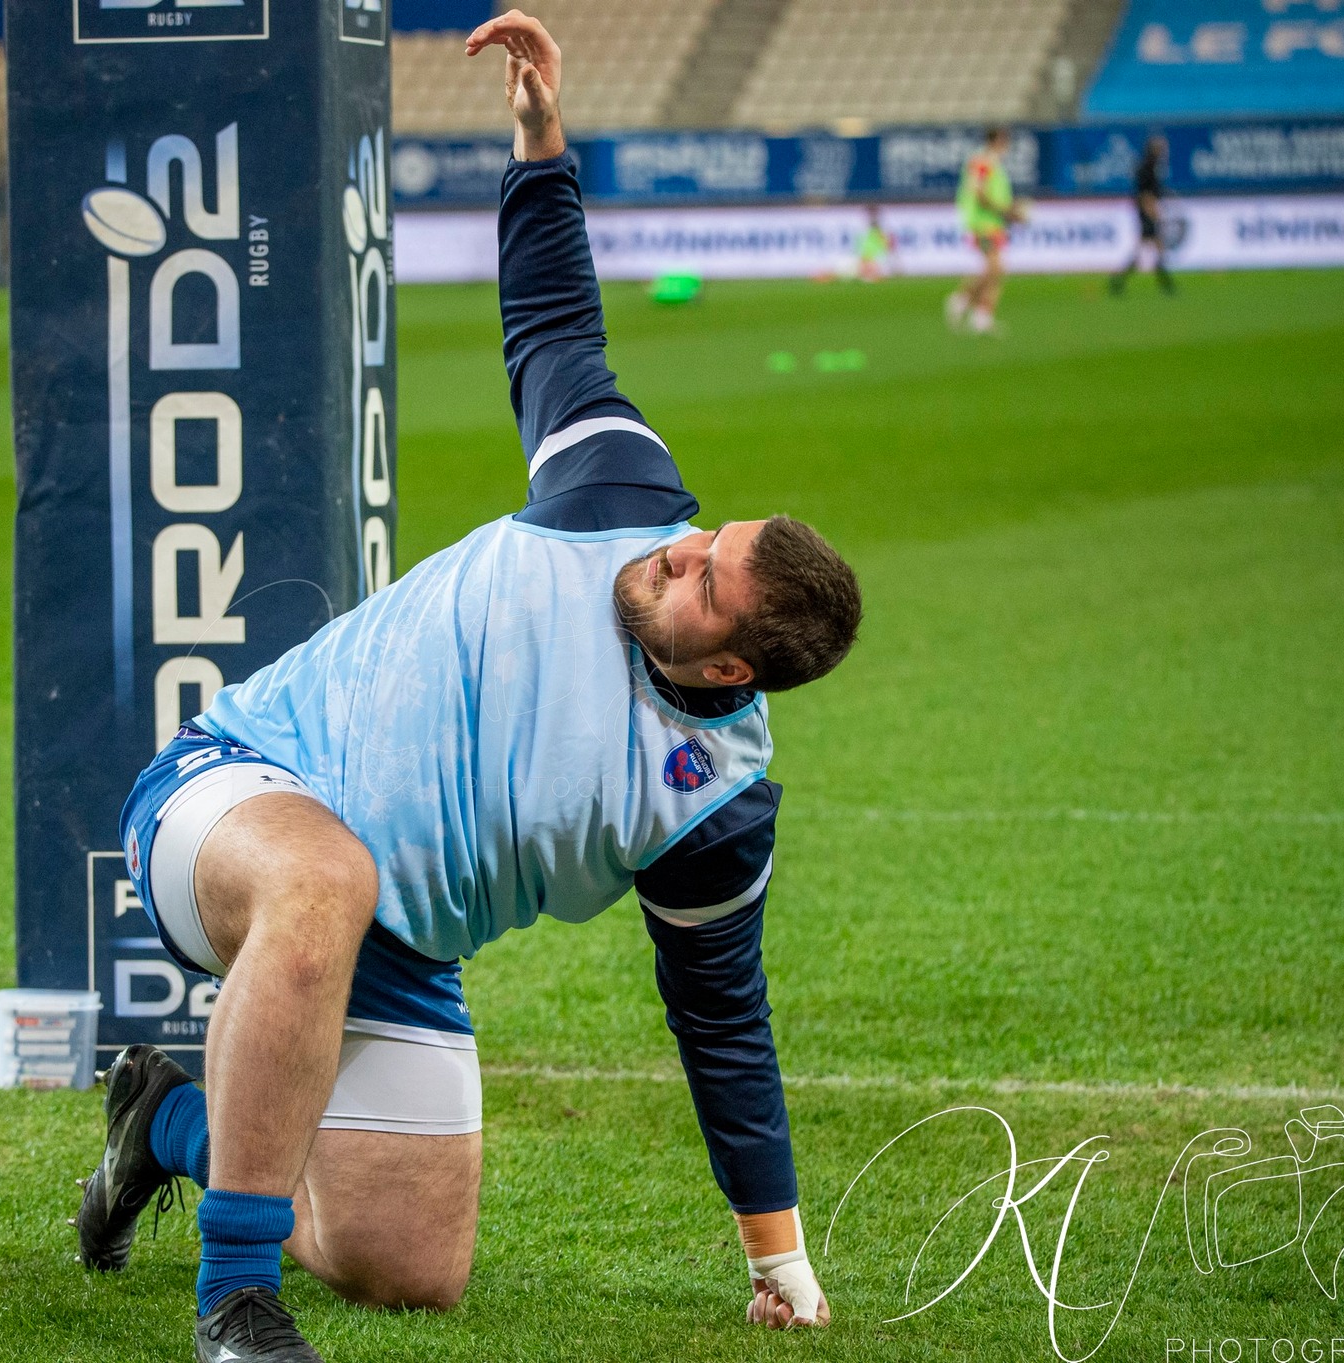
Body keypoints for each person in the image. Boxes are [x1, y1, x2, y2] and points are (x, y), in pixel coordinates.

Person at [72, 11, 861, 1362]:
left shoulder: (712, 804)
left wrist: (777, 1254)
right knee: (327, 883)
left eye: (704, 581)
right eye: (705, 537)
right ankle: (234, 1305)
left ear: (728, 666)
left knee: (408, 1266)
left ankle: (169, 1119)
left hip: (404, 945)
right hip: (238, 792)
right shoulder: (615, 489)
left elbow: (722, 1023)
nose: (681, 548)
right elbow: (553, 318)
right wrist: (540, 142)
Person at [944, 127, 1025, 336]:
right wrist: (1006, 211)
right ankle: (962, 299)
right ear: (997, 140)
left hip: (993, 223)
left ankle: (981, 316)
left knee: (997, 270)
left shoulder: (993, 164)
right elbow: (979, 193)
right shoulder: (982, 162)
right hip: (982, 223)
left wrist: (1008, 212)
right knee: (995, 267)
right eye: (1005, 140)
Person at [1110, 135, 1174, 296]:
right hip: (1146, 212)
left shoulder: (1149, 166)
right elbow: (1145, 194)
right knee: (1153, 247)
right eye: (1161, 148)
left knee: (1149, 247)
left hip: (1145, 211)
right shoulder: (1148, 167)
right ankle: (1165, 283)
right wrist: (1152, 212)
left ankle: (1120, 281)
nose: (1163, 151)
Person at [856, 204, 896, 281]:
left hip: (878, 257)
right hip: (868, 256)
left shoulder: (883, 227)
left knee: (878, 272)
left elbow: (888, 242)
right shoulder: (863, 228)